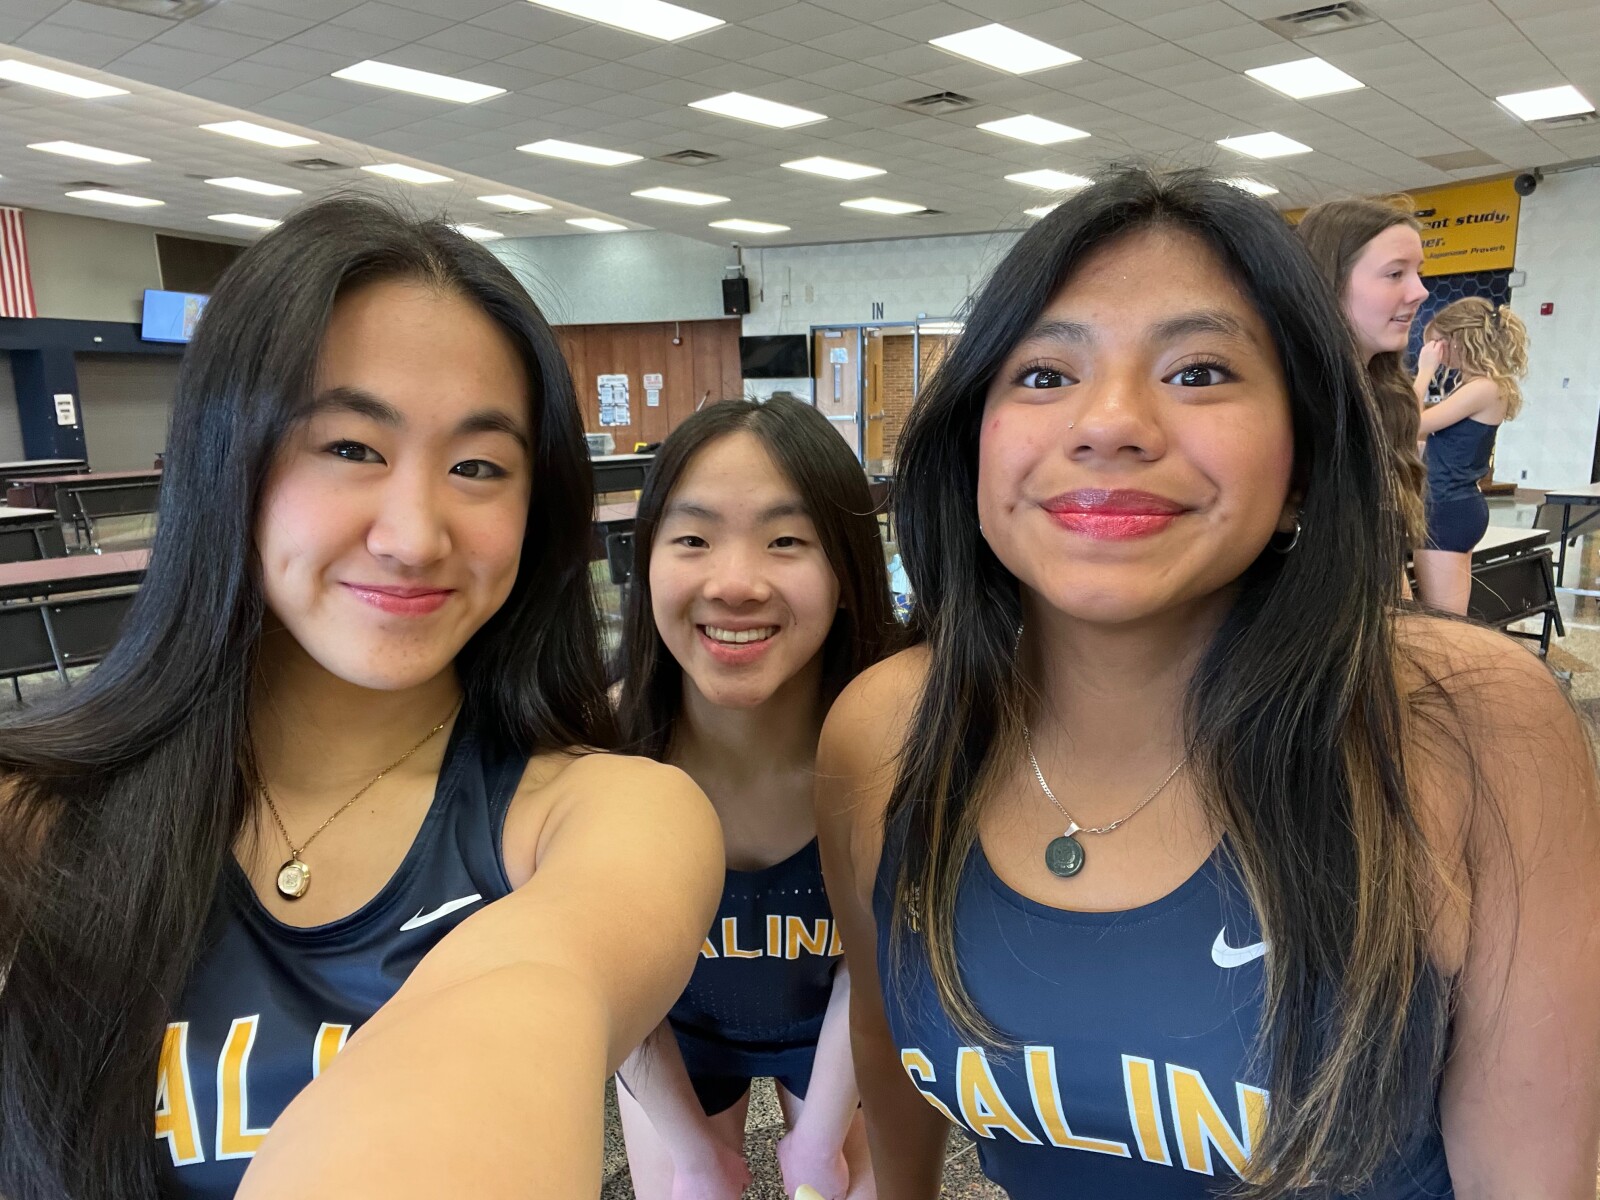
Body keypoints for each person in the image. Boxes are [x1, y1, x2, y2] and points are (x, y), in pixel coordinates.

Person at [816, 167, 1600, 1199]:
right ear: (972, 445)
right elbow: (883, 1037)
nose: (1109, 422)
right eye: (1044, 374)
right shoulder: (888, 726)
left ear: (1303, 456)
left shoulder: (1463, 724)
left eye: (1197, 372)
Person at [0, 196, 723, 1200]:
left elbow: (532, 994)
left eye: (478, 467)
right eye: (350, 448)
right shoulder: (36, 817)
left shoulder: (608, 816)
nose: (414, 535)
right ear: (226, 457)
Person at [613, 396, 897, 1200]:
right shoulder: (601, 750)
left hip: (837, 1027)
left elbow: (875, 966)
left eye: (786, 541)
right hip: (672, 1035)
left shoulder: (888, 748)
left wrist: (818, 1143)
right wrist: (695, 1155)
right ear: (647, 563)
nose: (734, 584)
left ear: (846, 573)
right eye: (694, 539)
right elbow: (611, 988)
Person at [1298, 197, 1430, 548]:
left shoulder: (1383, 392)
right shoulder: (1296, 402)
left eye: (1418, 273)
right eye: (1395, 274)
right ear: (1331, 281)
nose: (1420, 291)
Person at [1412, 297, 1530, 613]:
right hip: (1454, 504)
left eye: (1438, 344)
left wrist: (1424, 372)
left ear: (1458, 339)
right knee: (1447, 616)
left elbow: (1410, 424)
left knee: (1442, 621)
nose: (1435, 352)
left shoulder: (1484, 388)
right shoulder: (1479, 386)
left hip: (1447, 507)